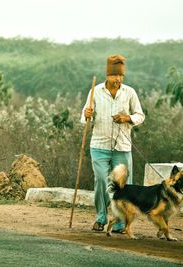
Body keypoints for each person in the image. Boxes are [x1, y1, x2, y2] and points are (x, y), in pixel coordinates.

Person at [81, 55, 145, 232]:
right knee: (101, 180)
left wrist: (127, 118)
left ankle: (119, 222)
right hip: (99, 144)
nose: (117, 79)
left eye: (120, 76)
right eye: (114, 76)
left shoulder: (129, 92)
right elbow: (85, 114)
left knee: (124, 185)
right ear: (107, 75)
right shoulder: (96, 91)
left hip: (122, 147)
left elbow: (140, 115)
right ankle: (101, 218)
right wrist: (87, 114)